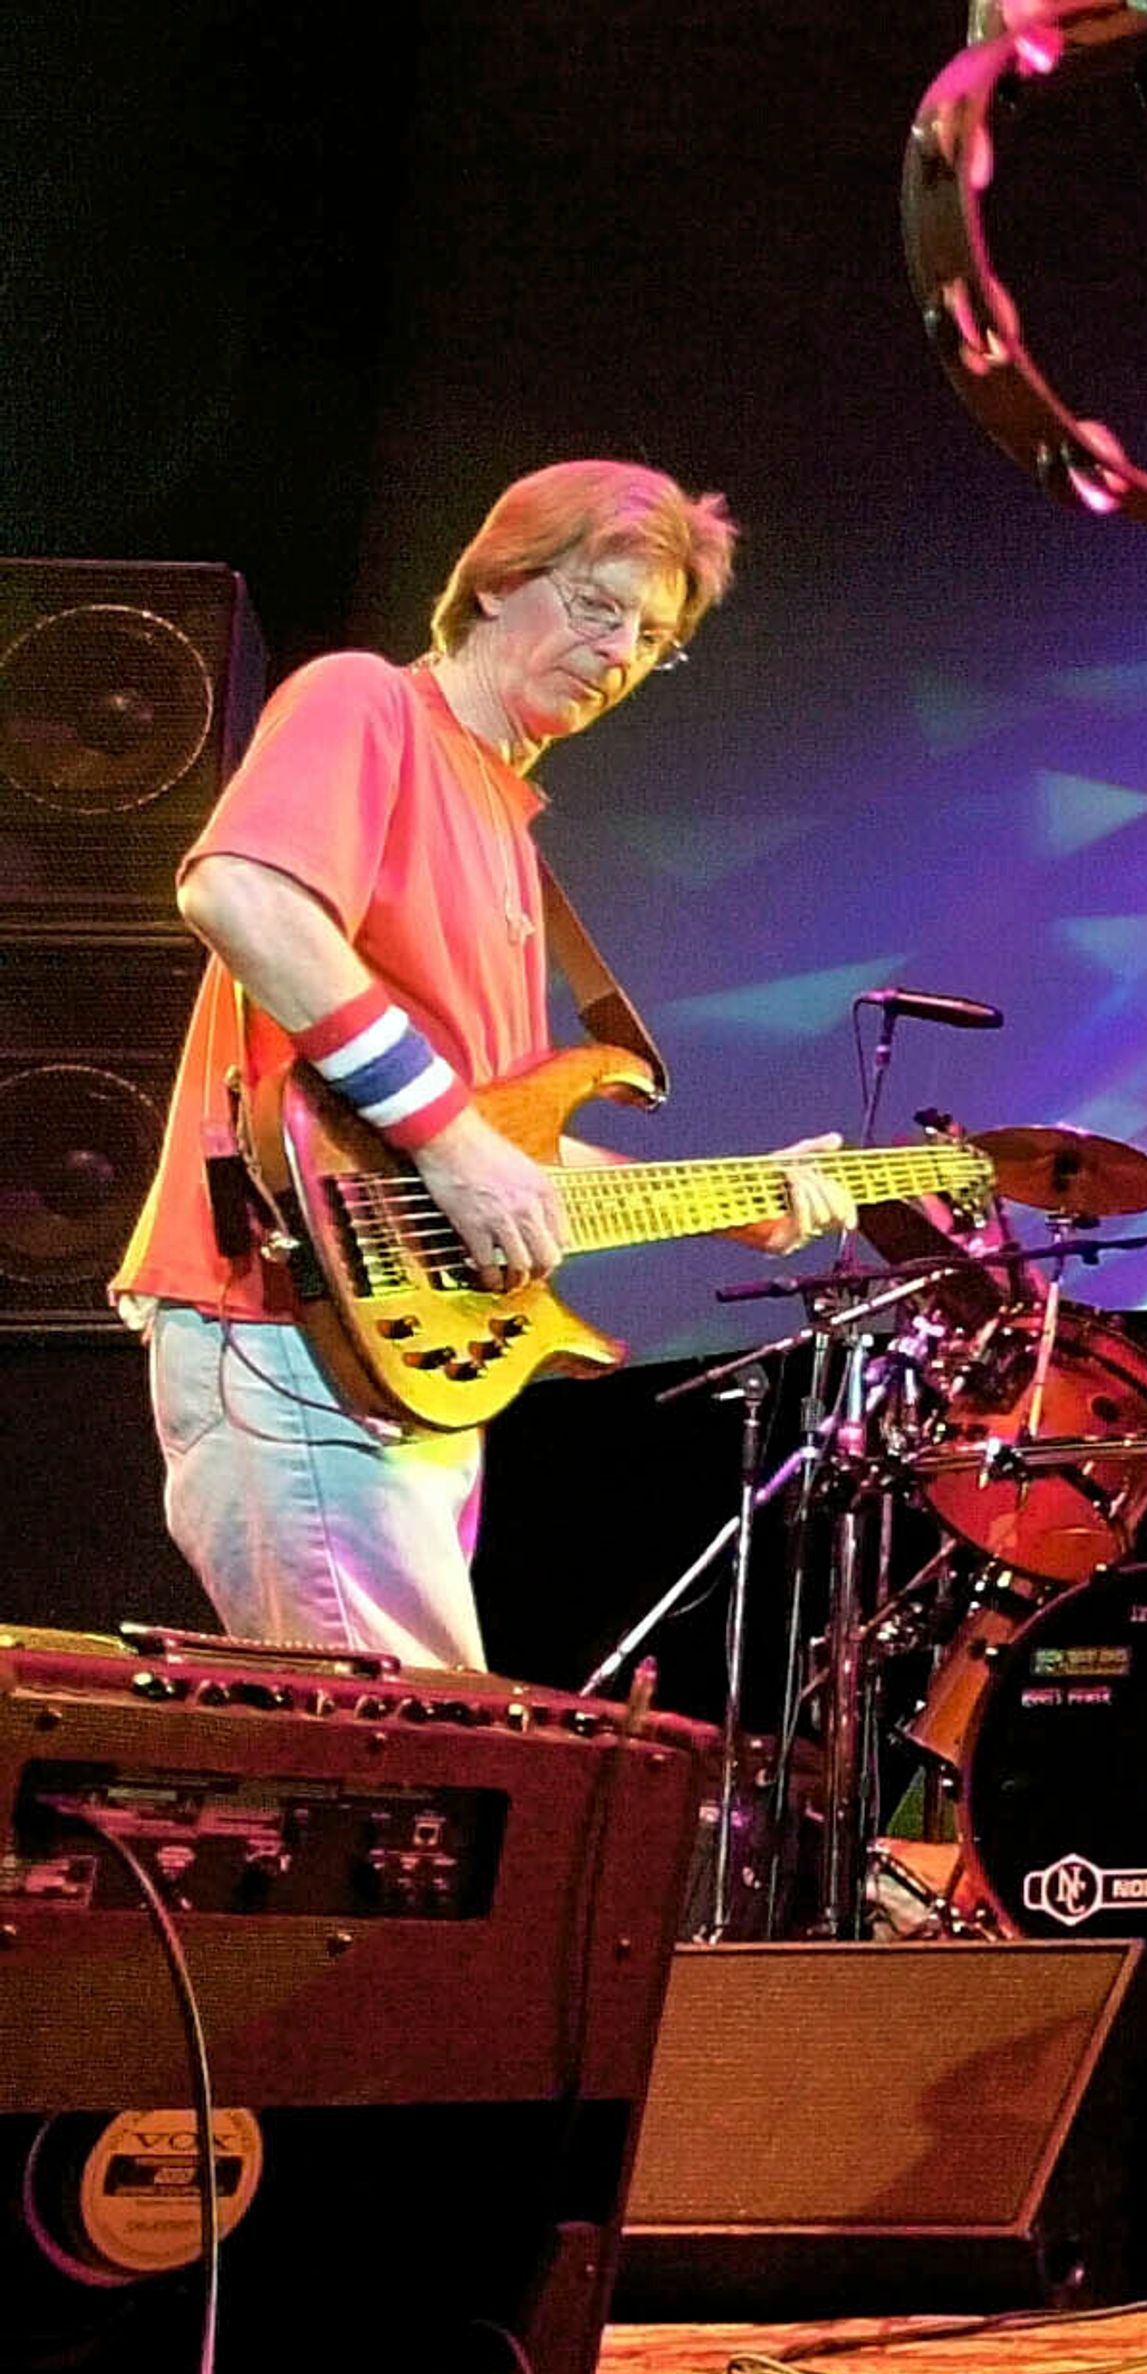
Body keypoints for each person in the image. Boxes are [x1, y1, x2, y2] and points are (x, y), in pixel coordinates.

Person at [109, 460, 852, 1670]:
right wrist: (457, 1147)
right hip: (288, 1317)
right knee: (409, 1761)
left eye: (650, 638)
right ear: (498, 584)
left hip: (401, 1350)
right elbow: (239, 891)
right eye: (595, 605)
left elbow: (489, 1146)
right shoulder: (370, 705)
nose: (617, 652)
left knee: (397, 1781)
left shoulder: (505, 822)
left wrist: (740, 1202)